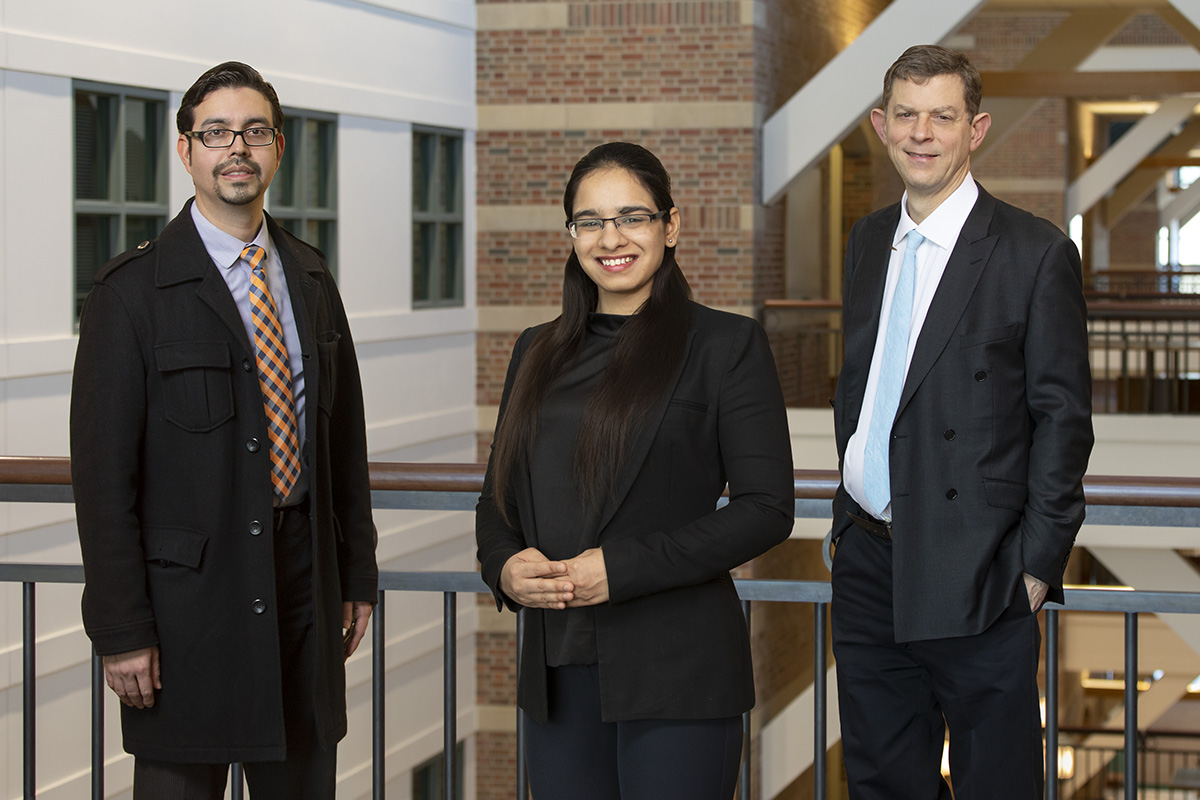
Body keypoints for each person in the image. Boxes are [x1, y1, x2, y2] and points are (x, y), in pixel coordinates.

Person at [70, 61, 378, 799]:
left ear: (278, 148)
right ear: (186, 150)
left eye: (254, 131)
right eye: (216, 133)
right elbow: (104, 482)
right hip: (187, 611)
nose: (237, 148)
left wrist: (356, 576)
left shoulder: (310, 277)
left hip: (303, 591)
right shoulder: (130, 294)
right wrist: (120, 629)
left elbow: (345, 444)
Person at [476, 141, 794, 800]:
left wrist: (619, 570)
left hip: (678, 670)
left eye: (632, 217)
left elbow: (766, 509)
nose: (610, 238)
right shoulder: (535, 350)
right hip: (557, 671)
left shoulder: (725, 345)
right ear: (572, 235)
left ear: (670, 226)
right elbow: (498, 501)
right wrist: (504, 566)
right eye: (590, 221)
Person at [830, 44, 1094, 799]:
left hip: (980, 569)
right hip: (869, 560)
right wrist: (844, 523)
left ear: (975, 129)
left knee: (996, 784)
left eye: (942, 116)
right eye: (906, 115)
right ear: (881, 125)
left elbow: (1063, 420)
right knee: (883, 781)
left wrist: (1036, 565)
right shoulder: (866, 240)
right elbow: (866, 387)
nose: (922, 133)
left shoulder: (1034, 252)